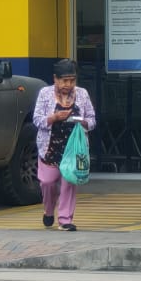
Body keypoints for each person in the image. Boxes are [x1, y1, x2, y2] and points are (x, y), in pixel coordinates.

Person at [33, 57, 96, 232]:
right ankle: (48, 210)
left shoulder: (82, 94)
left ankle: (65, 219)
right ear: (55, 79)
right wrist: (54, 118)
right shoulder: (45, 94)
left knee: (69, 181)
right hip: (50, 147)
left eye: (72, 80)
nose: (68, 84)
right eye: (64, 80)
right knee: (47, 182)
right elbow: (37, 120)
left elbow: (92, 120)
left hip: (74, 148)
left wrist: (84, 123)